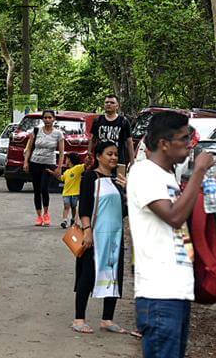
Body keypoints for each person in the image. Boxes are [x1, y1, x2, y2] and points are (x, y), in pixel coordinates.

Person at [126, 111, 216, 358]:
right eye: (183, 138)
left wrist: (206, 191)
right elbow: (173, 216)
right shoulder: (143, 172)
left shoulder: (169, 177)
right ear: (164, 144)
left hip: (178, 290)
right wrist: (199, 172)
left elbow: (184, 222)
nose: (190, 145)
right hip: (158, 294)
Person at [71, 140, 141, 337]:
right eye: (109, 154)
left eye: (116, 154)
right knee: (88, 274)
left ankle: (107, 318)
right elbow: (84, 205)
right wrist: (87, 230)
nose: (113, 157)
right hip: (95, 234)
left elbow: (124, 211)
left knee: (114, 275)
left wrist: (129, 192)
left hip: (115, 235)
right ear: (99, 156)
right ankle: (79, 319)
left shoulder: (117, 181)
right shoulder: (90, 177)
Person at [22, 109, 65, 226]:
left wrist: (59, 167)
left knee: (44, 188)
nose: (47, 120)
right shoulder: (36, 131)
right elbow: (29, 148)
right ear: (42, 119)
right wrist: (26, 162)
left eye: (50, 118)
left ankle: (46, 213)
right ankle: (39, 216)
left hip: (49, 163)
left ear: (54, 119)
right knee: (36, 190)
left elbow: (61, 152)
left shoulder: (58, 134)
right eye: (45, 118)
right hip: (35, 162)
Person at [91, 95, 135, 167]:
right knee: (100, 178)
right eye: (106, 102)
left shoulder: (123, 121)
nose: (109, 104)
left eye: (112, 102)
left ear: (117, 106)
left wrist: (132, 161)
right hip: (101, 162)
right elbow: (92, 139)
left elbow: (129, 143)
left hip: (119, 162)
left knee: (119, 178)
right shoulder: (98, 120)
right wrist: (89, 153)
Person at [49, 152, 85, 228]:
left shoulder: (77, 168)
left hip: (75, 193)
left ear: (70, 160)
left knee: (73, 207)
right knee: (66, 206)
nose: (65, 160)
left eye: (67, 159)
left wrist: (88, 160)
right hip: (66, 193)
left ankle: (73, 219)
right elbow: (61, 178)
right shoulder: (66, 172)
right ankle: (64, 221)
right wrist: (53, 173)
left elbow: (85, 166)